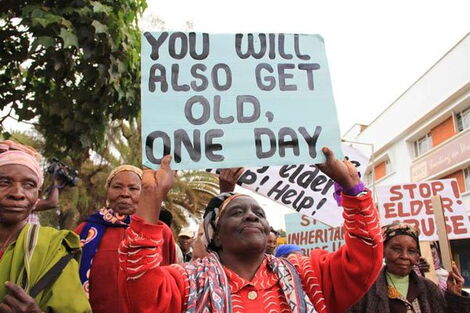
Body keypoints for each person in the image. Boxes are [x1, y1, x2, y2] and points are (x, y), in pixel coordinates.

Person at [119, 148, 384, 313]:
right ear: (216, 234)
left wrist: (351, 188)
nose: (251, 215)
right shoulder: (184, 282)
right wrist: (150, 201)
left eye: (259, 213)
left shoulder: (307, 275)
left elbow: (364, 258)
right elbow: (140, 290)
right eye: (236, 212)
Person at [0, 140, 91, 313]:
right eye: (4, 182)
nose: (18, 194)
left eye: (29, 185)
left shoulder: (53, 248)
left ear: (37, 196)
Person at [75, 164, 177, 313]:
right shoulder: (84, 231)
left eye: (133, 188)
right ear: (107, 191)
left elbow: (171, 282)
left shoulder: (160, 232)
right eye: (117, 187)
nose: (125, 193)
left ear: (143, 192)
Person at [346, 222, 470, 313]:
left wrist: (455, 296)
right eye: (396, 249)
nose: (404, 256)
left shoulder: (430, 288)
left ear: (417, 256)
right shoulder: (365, 290)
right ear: (383, 251)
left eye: (411, 251)